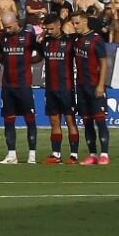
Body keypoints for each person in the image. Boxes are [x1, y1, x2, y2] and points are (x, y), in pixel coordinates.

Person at [0, 15, 43, 165]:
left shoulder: (29, 36)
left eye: (9, 27)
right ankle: (11, 155)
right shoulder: (3, 37)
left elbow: (40, 55)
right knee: (9, 120)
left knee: (30, 120)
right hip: (7, 86)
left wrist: (30, 61)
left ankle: (32, 155)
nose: (7, 30)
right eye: (5, 27)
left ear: (16, 23)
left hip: (23, 85)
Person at [71, 16, 112, 165]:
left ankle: (105, 154)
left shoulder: (96, 39)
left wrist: (101, 85)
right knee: (87, 122)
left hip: (95, 86)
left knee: (100, 121)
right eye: (73, 23)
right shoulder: (76, 39)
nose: (74, 26)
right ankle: (93, 154)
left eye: (77, 23)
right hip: (81, 87)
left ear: (84, 22)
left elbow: (104, 63)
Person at [40, 14, 80, 165]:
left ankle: (74, 155)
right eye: (47, 28)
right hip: (50, 88)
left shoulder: (70, 41)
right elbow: (38, 56)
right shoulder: (45, 41)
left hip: (66, 88)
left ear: (58, 26)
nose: (49, 31)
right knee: (54, 121)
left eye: (51, 28)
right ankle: (56, 154)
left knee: (70, 121)